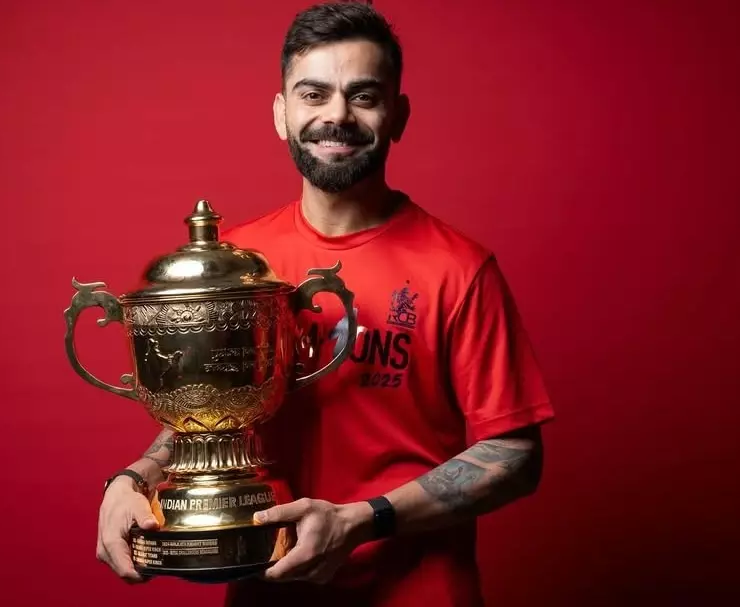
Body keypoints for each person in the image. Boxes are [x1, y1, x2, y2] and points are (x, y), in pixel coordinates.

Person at [96, 2, 555, 605]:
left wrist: (364, 519)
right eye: (313, 95)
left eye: (363, 95)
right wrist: (133, 481)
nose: (337, 115)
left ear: (398, 115)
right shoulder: (238, 265)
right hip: (265, 592)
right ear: (282, 114)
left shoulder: (460, 268)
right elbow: (211, 413)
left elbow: (515, 454)